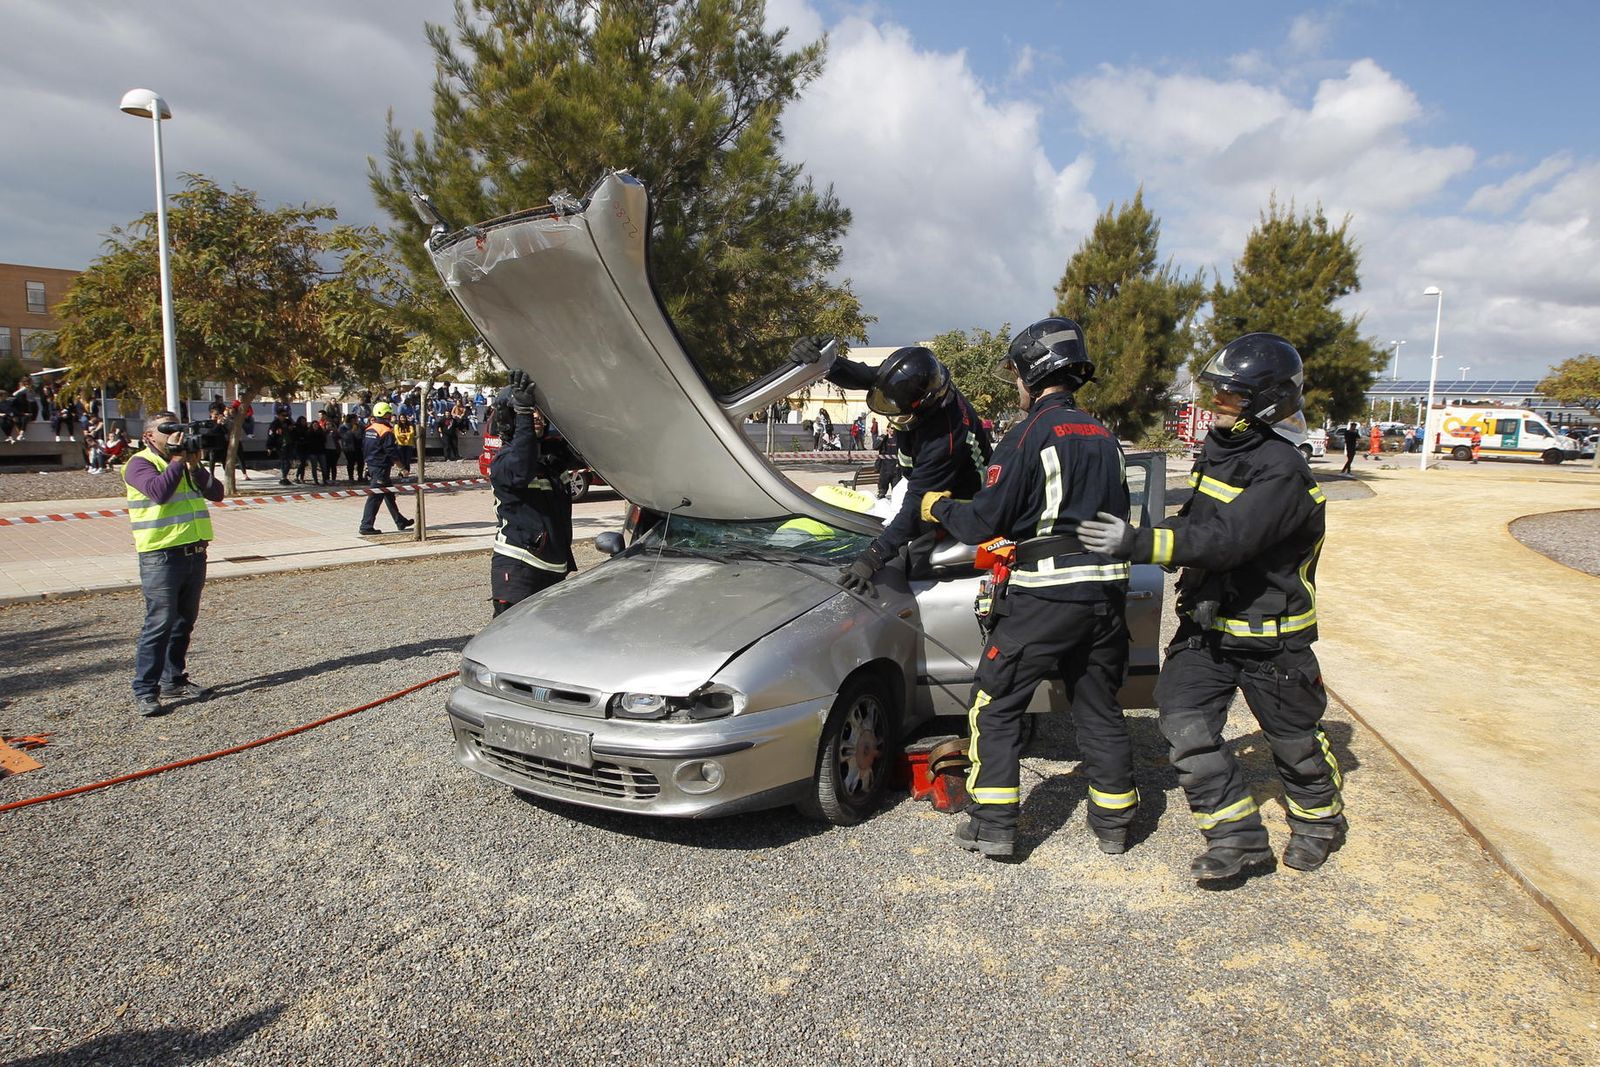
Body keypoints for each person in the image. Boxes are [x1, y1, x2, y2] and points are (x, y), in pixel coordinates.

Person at [1080, 333, 1343, 881]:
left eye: (1230, 396)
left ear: (1265, 404)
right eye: (1215, 392)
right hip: (1207, 631)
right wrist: (1147, 536)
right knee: (1184, 727)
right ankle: (1237, 839)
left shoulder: (1281, 472)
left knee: (1293, 743)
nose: (1213, 404)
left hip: (1272, 639)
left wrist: (1138, 543)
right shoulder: (1222, 454)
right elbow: (1197, 524)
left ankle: (1319, 822)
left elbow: (1228, 540)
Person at [919, 317, 1137, 859]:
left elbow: (985, 519)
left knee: (994, 705)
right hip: (1106, 599)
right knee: (1098, 707)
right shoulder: (1104, 436)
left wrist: (937, 506)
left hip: (1045, 597)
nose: (1015, 386)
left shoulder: (1027, 434)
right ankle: (1114, 824)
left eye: (1016, 375)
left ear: (1032, 374)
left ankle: (994, 822)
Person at [789, 337, 993, 597]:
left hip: (960, 501)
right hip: (919, 483)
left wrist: (872, 558)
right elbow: (865, 375)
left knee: (916, 563)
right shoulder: (917, 381)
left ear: (924, 407)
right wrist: (824, 363)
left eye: (900, 414)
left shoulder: (945, 437)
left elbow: (919, 505)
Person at [122, 410, 225, 717]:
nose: (176, 436)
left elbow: (216, 493)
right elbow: (159, 492)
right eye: (168, 430)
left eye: (179, 429)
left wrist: (194, 466)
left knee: (183, 622)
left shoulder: (185, 464)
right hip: (161, 556)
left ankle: (174, 679)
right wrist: (178, 461)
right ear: (149, 436)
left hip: (194, 552)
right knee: (159, 623)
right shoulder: (139, 464)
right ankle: (145, 689)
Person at [488, 371, 578, 615]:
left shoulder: (550, 458)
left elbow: (584, 446)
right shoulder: (505, 461)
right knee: (511, 640)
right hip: (520, 564)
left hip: (552, 564)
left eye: (538, 410)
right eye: (528, 410)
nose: (536, 415)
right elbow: (522, 466)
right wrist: (523, 416)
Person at [358, 401, 413, 535]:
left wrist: (367, 465)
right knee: (375, 497)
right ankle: (366, 526)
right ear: (384, 414)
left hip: (373, 465)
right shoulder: (386, 431)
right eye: (389, 414)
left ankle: (400, 521)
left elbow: (365, 448)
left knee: (389, 495)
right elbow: (391, 452)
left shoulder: (369, 429)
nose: (391, 416)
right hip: (380, 468)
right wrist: (402, 468)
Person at [339, 414, 365, 483]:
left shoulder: (359, 426)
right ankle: (351, 477)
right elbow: (344, 437)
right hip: (349, 448)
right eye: (355, 419)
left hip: (359, 447)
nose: (357, 420)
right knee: (351, 463)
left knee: (360, 463)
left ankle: (360, 476)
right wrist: (352, 431)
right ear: (351, 419)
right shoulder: (343, 427)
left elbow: (362, 434)